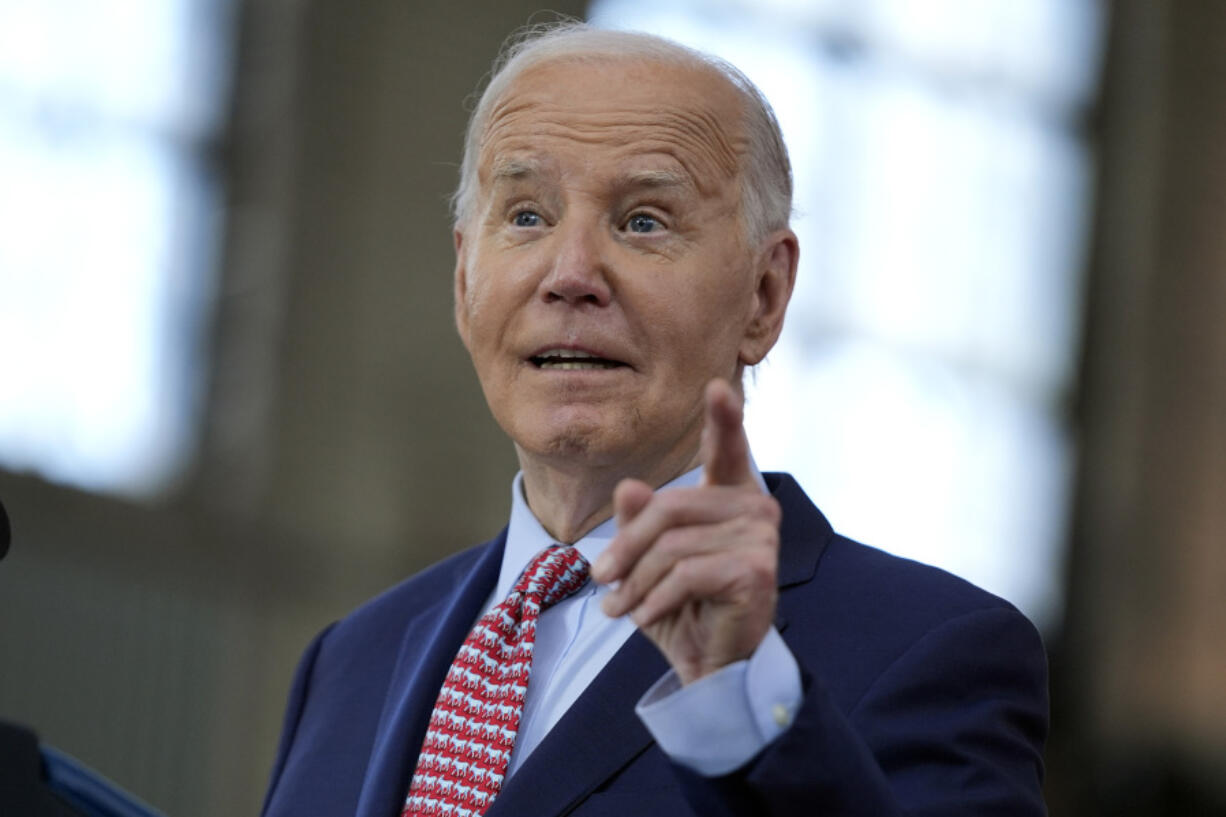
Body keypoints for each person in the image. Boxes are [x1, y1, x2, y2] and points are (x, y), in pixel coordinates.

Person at [261, 23, 1048, 817]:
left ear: (765, 296)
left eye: (642, 221)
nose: (570, 275)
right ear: (465, 275)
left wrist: (739, 698)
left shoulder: (931, 650)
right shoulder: (348, 662)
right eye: (528, 215)